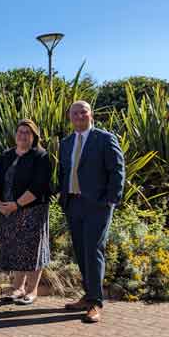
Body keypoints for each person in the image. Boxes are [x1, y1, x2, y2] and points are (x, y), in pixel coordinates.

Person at [59, 101, 125, 323]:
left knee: (93, 250)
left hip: (97, 205)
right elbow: (63, 171)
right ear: (70, 117)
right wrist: (63, 198)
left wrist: (111, 200)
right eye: (74, 113)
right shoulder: (66, 142)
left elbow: (117, 170)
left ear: (91, 114)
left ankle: (96, 303)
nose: (79, 116)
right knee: (80, 250)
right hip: (73, 204)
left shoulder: (105, 139)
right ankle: (88, 296)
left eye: (83, 112)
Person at [0, 119, 52, 305]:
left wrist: (17, 204)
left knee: (33, 250)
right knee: (15, 249)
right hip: (8, 211)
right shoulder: (6, 155)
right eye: (20, 131)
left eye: (27, 132)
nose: (23, 135)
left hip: (33, 210)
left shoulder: (41, 156)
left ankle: (32, 290)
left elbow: (39, 186)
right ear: (15, 134)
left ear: (34, 136)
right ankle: (17, 288)